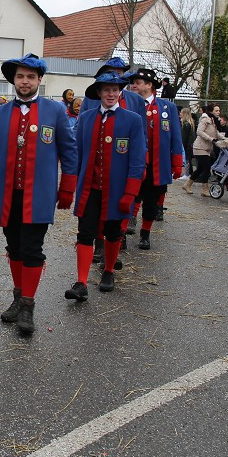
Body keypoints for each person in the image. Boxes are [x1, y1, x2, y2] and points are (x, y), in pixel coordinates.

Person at [0, 55, 76, 334]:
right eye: (20, 77)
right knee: (14, 248)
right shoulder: (0, 114)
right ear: (13, 80)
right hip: (8, 195)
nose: (25, 81)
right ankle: (18, 298)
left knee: (32, 249)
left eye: (31, 77)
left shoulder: (55, 111)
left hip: (39, 195)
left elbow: (69, 151)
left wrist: (67, 187)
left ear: (39, 80)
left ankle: (28, 306)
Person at [65, 73, 145, 299]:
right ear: (99, 93)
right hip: (90, 188)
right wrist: (71, 185)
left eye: (115, 89)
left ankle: (108, 271)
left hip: (117, 189)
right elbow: (77, 154)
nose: (111, 94)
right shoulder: (86, 117)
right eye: (106, 90)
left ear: (120, 92)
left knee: (112, 232)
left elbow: (138, 161)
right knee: (85, 233)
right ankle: (81, 282)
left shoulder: (132, 120)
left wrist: (130, 192)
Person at [125, 68, 183, 250]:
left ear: (149, 85)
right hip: (132, 163)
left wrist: (177, 162)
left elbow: (176, 137)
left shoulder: (168, 108)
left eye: (137, 83)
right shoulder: (127, 106)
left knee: (151, 201)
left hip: (156, 165)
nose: (133, 86)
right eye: (132, 82)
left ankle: (145, 234)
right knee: (129, 197)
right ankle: (123, 232)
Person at [186, 104, 222, 196]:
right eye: (216, 110)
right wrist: (211, 139)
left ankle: (187, 184)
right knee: (206, 168)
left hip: (207, 148)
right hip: (200, 147)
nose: (218, 112)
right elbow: (199, 131)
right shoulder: (205, 119)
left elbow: (216, 133)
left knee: (200, 169)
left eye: (219, 110)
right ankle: (205, 189)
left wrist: (225, 139)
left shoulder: (213, 120)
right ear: (211, 111)